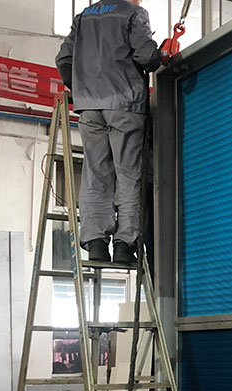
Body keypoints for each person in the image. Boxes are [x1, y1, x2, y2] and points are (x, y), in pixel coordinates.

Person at [55, 0, 162, 264]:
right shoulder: (134, 13)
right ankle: (125, 245)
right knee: (128, 175)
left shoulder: (84, 17)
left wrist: (84, 89)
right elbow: (147, 57)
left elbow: (64, 60)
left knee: (95, 174)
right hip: (125, 105)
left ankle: (96, 244)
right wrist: (160, 56)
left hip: (89, 107)